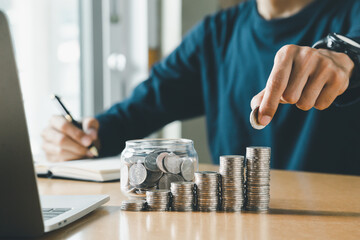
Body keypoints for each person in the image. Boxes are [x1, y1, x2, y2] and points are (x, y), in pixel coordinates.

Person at [42, 0, 360, 175]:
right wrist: (84, 136)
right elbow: (136, 111)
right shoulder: (215, 34)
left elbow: (353, 52)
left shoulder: (352, 14)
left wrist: (345, 59)